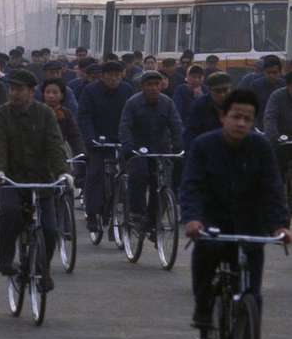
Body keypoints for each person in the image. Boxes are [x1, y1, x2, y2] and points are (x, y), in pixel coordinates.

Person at [180, 90, 290, 339]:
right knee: (205, 262)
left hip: (250, 225)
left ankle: (250, 338)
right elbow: (191, 186)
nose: (241, 123)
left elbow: (273, 189)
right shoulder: (203, 145)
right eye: (236, 116)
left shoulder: (261, 147)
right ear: (223, 117)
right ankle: (205, 320)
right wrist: (193, 219)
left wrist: (280, 225)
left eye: (248, 118)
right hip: (212, 223)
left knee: (253, 290)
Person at [0, 69, 71, 291]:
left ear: (31, 92)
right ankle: (5, 260)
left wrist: (64, 172)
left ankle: (42, 270)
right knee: (10, 213)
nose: (14, 93)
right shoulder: (1, 114)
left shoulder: (45, 114)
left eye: (19, 89)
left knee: (50, 229)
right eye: (11, 89)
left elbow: (55, 145)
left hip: (42, 180)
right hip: (11, 180)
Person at [119, 71, 183, 232]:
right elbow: (125, 126)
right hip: (138, 149)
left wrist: (178, 146)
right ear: (142, 86)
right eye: (150, 85)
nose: (154, 88)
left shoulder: (167, 103)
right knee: (139, 175)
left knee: (163, 183)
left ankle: (154, 218)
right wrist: (128, 148)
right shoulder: (132, 103)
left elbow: (176, 125)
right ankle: (137, 213)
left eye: (157, 84)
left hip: (161, 148)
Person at [77, 61, 134, 232]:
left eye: (118, 74)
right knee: (95, 174)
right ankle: (92, 214)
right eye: (110, 74)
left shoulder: (127, 90)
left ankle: (128, 211)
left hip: (121, 139)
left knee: (129, 173)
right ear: (102, 75)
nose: (114, 78)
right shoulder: (90, 91)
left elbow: (133, 116)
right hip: (97, 140)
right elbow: (84, 117)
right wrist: (90, 139)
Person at [183, 72, 232, 150]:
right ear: (209, 90)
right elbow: (190, 133)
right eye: (217, 91)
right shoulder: (199, 106)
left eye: (225, 90)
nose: (222, 94)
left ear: (231, 89)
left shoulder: (239, 104)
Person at [42, 78, 85, 156]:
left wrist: (81, 151)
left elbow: (74, 135)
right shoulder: (38, 112)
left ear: (62, 95)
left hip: (61, 150)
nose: (51, 96)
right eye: (47, 92)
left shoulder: (66, 113)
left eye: (55, 92)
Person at [249, 55, 284, 129]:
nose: (271, 76)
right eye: (268, 73)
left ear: (280, 72)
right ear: (264, 72)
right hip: (261, 127)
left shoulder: (285, 86)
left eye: (274, 73)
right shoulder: (255, 86)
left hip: (282, 127)